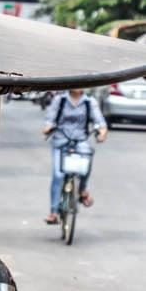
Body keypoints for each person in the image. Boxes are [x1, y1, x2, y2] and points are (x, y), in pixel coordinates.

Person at [42, 88, 107, 224]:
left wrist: (101, 133)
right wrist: (48, 128)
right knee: (58, 175)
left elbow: (100, 123)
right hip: (61, 142)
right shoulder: (60, 100)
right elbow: (49, 120)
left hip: (80, 141)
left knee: (85, 165)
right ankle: (53, 212)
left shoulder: (90, 102)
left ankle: (82, 190)